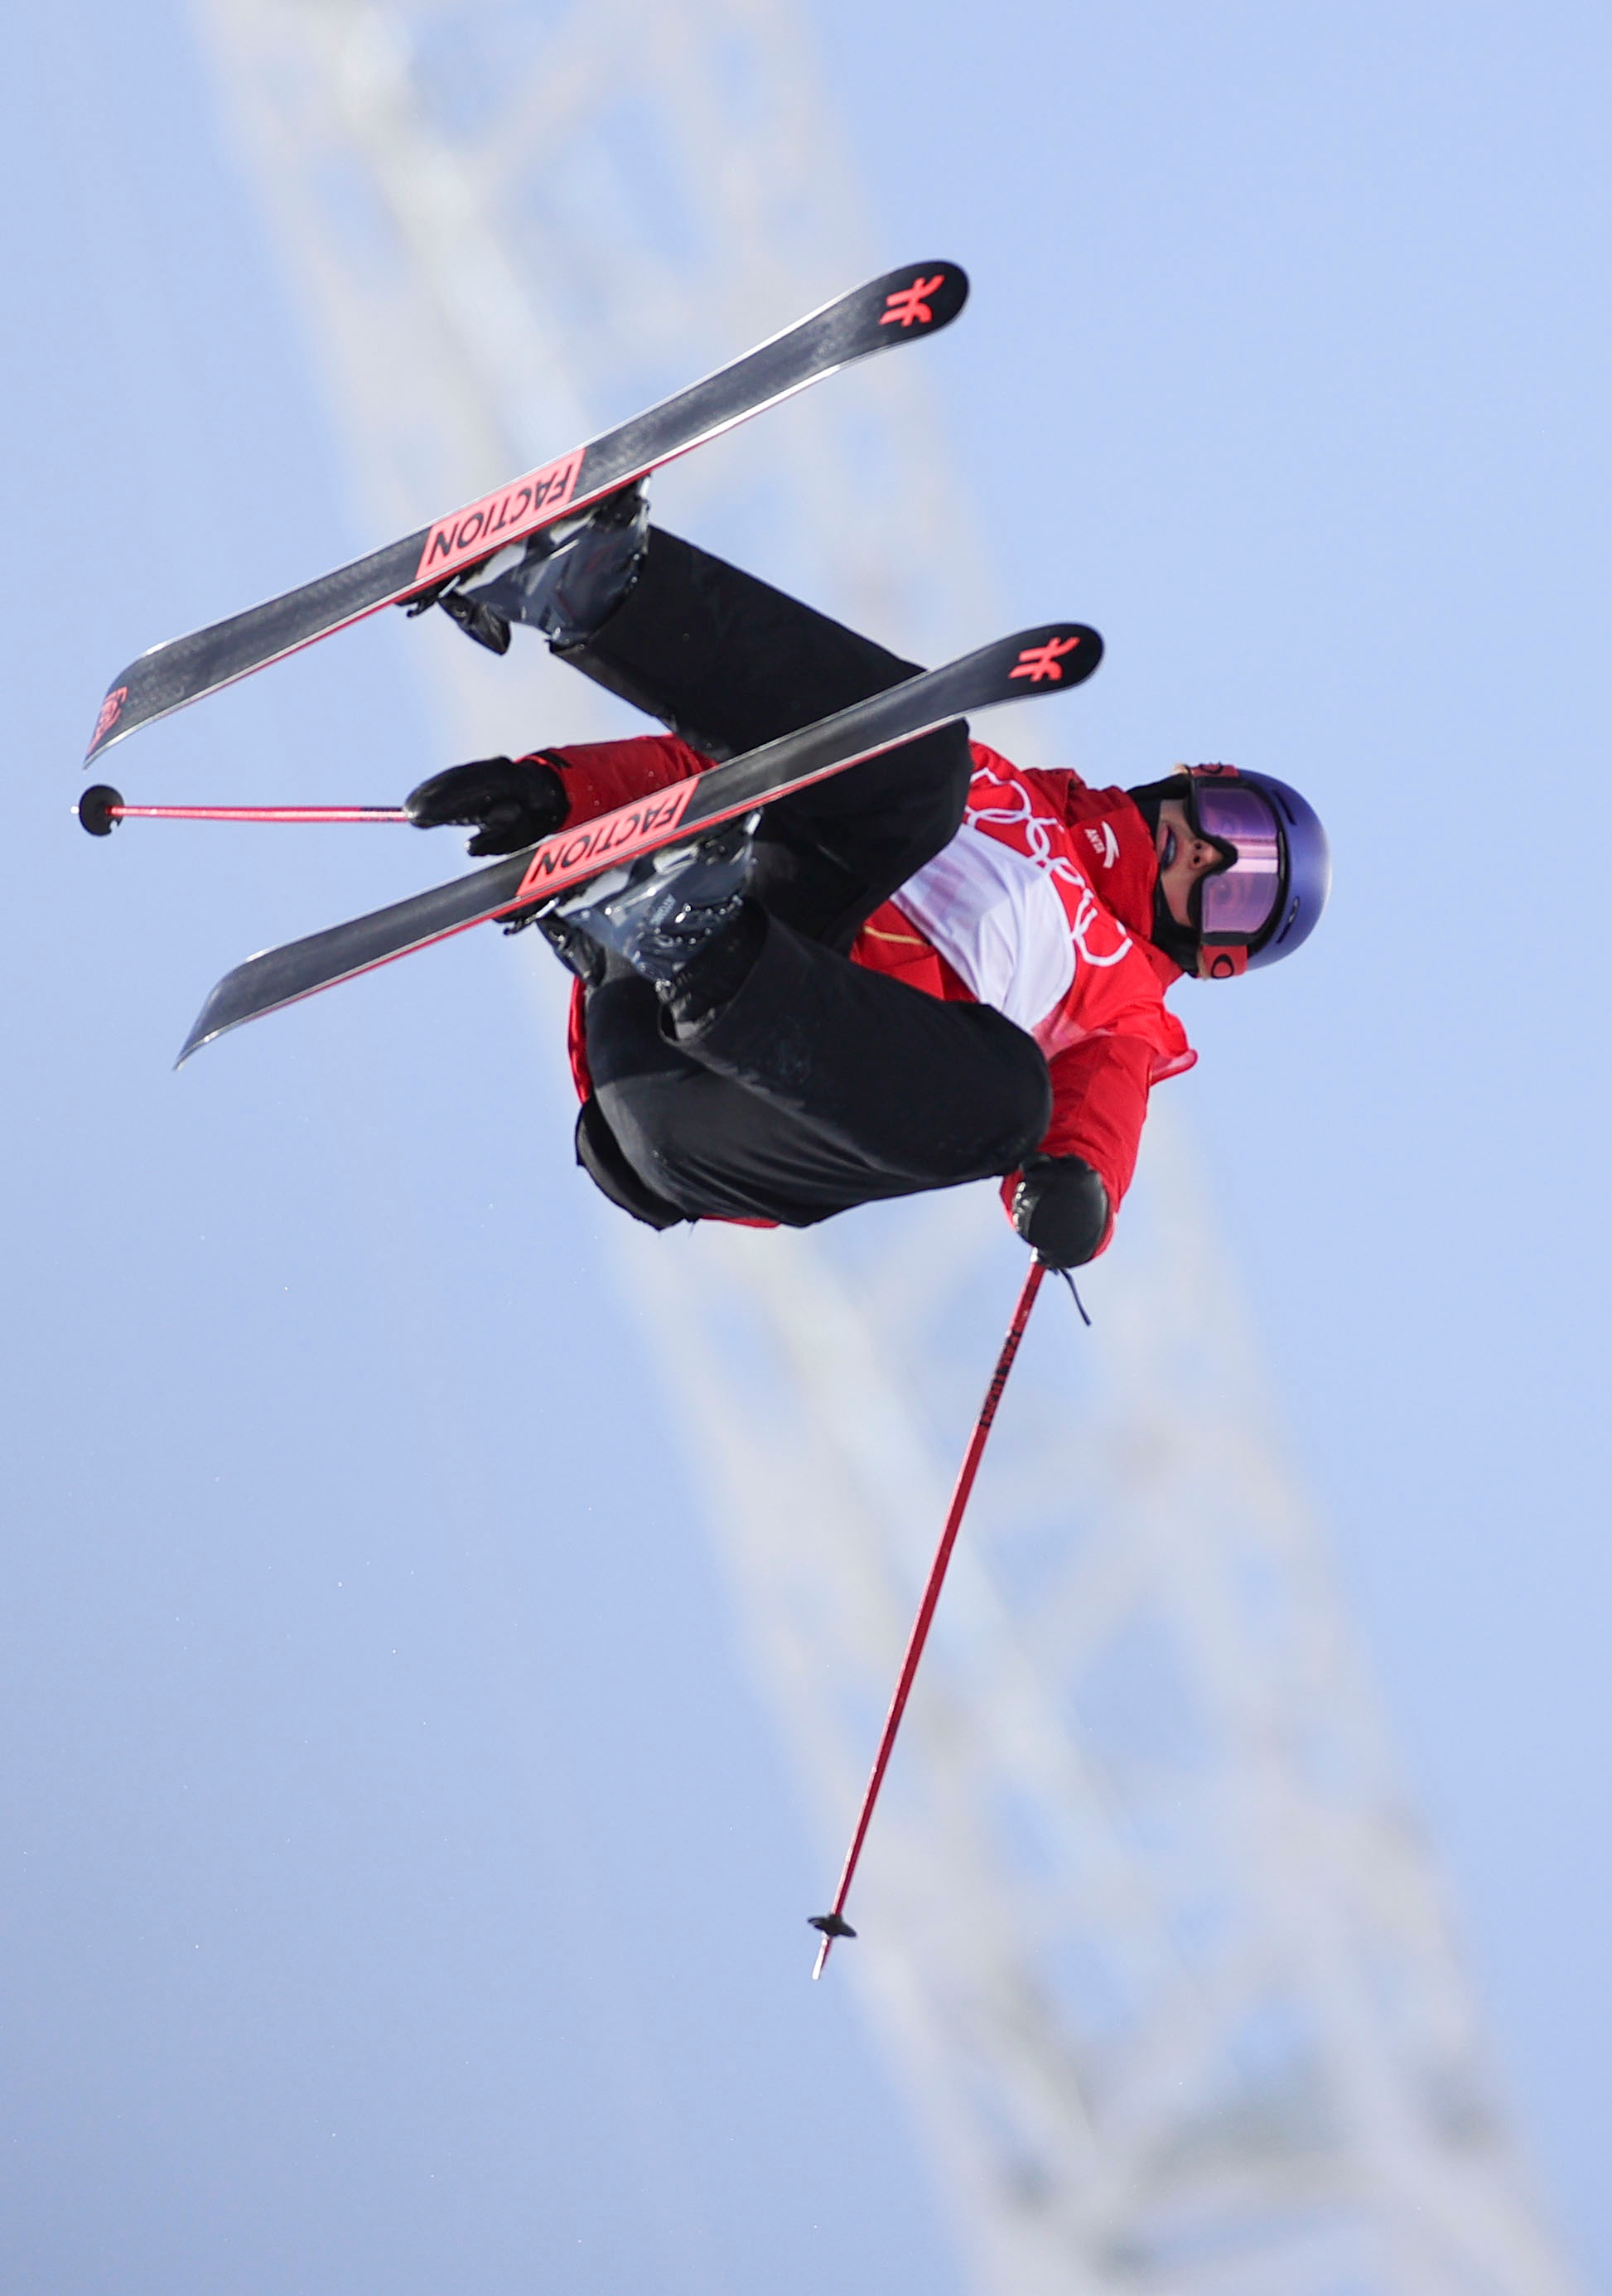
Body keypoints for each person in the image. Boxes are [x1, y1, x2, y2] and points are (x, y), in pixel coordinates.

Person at [403, 489, 1330, 1266]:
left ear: (1213, 954)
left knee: (1015, 1100)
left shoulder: (1124, 1012)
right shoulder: (1003, 788)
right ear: (1197, 783)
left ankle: (699, 948)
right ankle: (593, 587)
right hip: (679, 955)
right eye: (1232, 829)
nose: (1209, 856)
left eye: (1233, 887)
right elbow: (722, 775)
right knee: (920, 750)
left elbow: (1095, 1122)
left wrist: (1076, 1195)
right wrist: (559, 793)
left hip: (710, 1115)